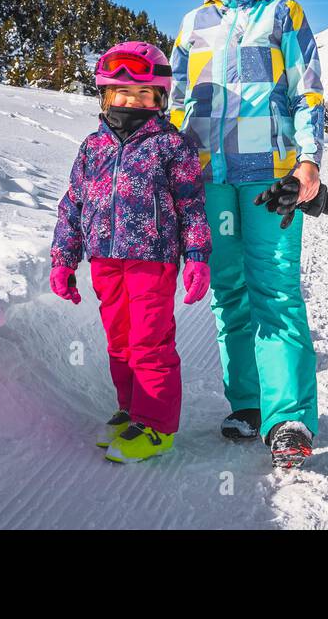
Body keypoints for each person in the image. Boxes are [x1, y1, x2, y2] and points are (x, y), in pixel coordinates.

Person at [167, 0, 328, 470]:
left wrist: (309, 162)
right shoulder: (193, 24)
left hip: (270, 178)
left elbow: (307, 90)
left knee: (276, 291)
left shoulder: (284, 13)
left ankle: (288, 419)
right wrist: (169, 167)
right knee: (228, 292)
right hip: (209, 177)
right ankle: (249, 405)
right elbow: (177, 103)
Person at [49, 41, 213, 464]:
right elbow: (73, 203)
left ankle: (156, 425)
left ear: (159, 99)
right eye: (123, 92)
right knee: (119, 342)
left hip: (152, 259)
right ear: (106, 95)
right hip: (104, 258)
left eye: (144, 94)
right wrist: (63, 259)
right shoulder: (92, 147)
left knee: (149, 342)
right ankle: (131, 411)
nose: (132, 100)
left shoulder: (171, 145)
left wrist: (196, 256)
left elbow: (192, 204)